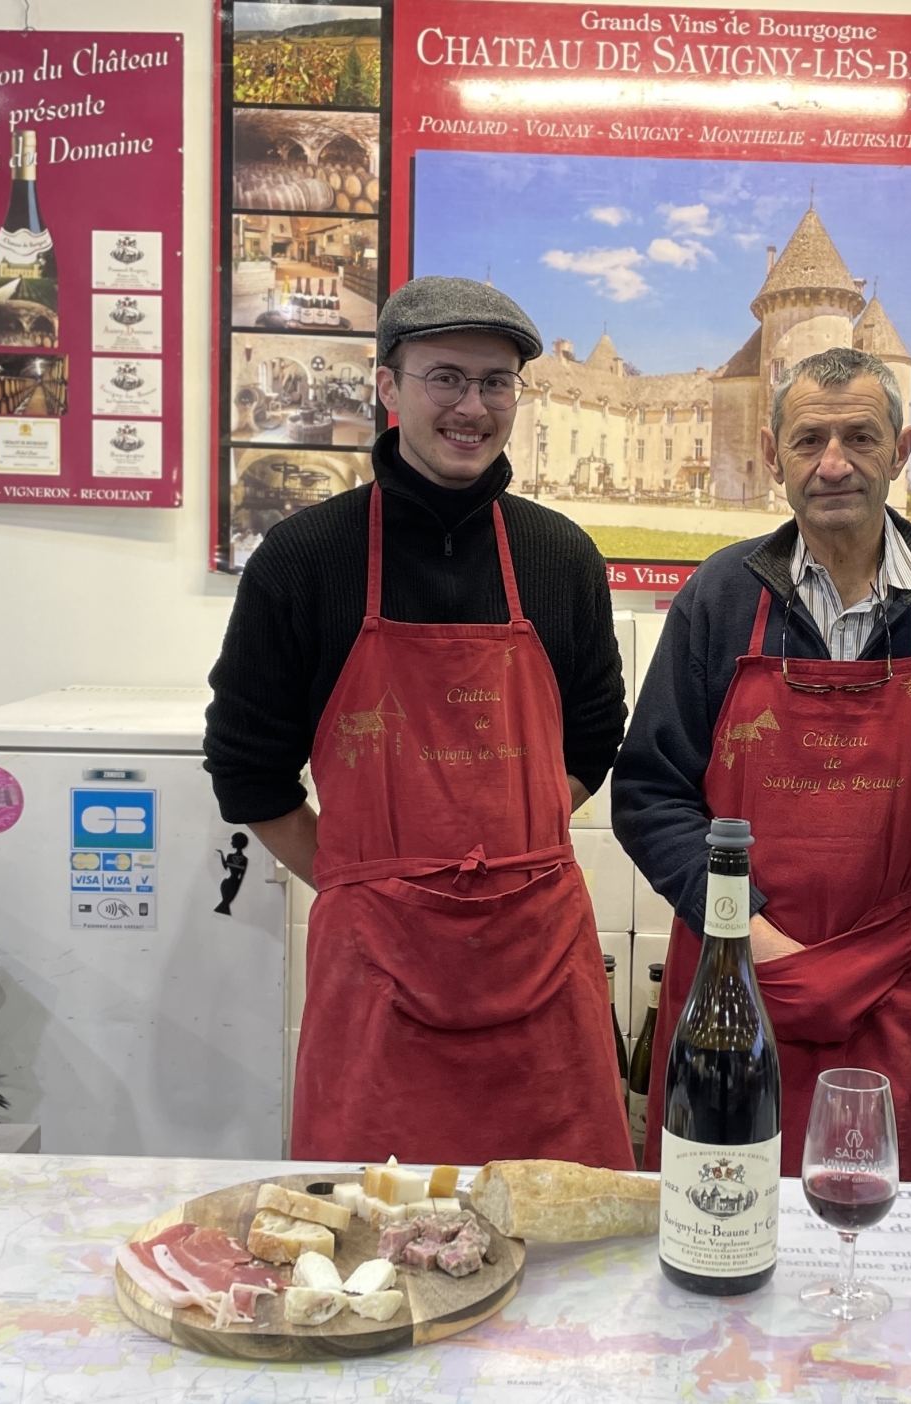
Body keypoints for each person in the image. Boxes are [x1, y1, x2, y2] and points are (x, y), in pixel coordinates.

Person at [204, 276, 632, 1169]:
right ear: (388, 388)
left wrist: (506, 862)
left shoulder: (559, 556)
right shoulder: (305, 558)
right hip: (377, 975)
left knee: (567, 1248)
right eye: (445, 377)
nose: (471, 407)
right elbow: (247, 768)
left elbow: (595, 735)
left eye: (496, 383)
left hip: (538, 960)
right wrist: (368, 886)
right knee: (371, 1248)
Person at [613, 346, 911, 1182]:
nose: (835, 463)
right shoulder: (719, 597)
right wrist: (745, 929)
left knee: (875, 1224)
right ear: (775, 457)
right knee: (717, 1210)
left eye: (860, 436)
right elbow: (649, 793)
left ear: (903, 449)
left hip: (892, 978)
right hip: (735, 972)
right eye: (809, 440)